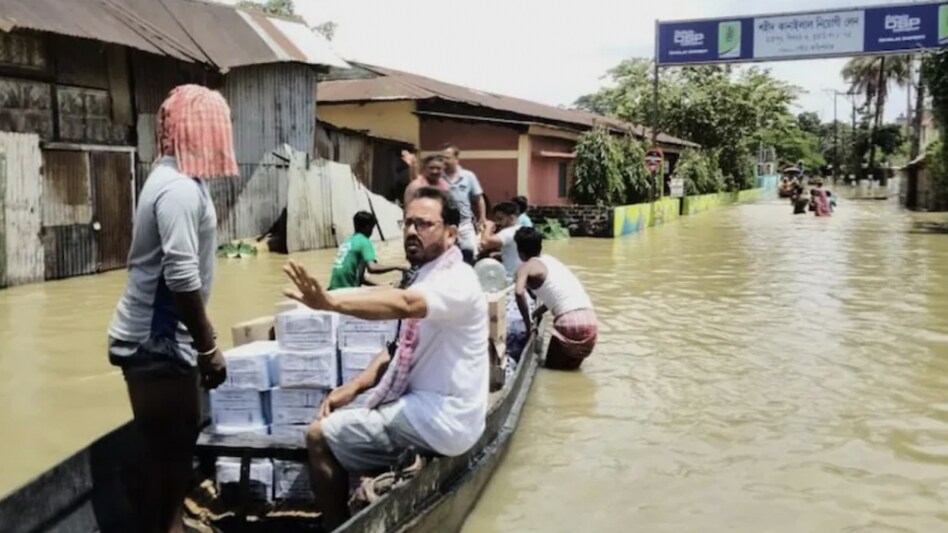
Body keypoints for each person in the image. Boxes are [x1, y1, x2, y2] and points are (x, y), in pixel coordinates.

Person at [283, 187, 488, 529]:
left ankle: (337, 525)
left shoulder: (458, 281)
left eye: (424, 224)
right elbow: (396, 348)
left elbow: (405, 304)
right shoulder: (425, 274)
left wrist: (330, 303)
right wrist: (353, 386)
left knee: (318, 436)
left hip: (443, 418)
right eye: (407, 223)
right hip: (433, 410)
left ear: (451, 234)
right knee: (354, 411)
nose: (411, 231)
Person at [107, 85, 235, 533]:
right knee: (169, 452)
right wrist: (208, 347)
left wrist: (201, 334)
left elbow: (187, 276)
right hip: (155, 340)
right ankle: (167, 527)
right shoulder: (178, 188)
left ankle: (170, 523)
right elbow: (181, 277)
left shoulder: (178, 181)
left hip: (164, 338)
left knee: (174, 447)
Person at [513, 227, 597, 370]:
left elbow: (519, 292)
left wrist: (528, 326)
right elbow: (556, 295)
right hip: (590, 320)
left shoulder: (526, 266)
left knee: (551, 370)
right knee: (570, 373)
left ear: (520, 252)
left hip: (569, 321)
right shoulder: (552, 261)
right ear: (540, 246)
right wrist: (536, 314)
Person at [328, 211, 406, 290]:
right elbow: (372, 268)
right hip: (346, 292)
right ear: (367, 227)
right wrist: (398, 266)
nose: (371, 232)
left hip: (332, 290)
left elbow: (360, 279)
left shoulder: (347, 242)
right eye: (372, 228)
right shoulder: (364, 241)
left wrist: (383, 286)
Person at [442, 143, 486, 264]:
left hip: (465, 224)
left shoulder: (468, 176)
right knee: (446, 255)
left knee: (471, 253)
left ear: (456, 158)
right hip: (446, 224)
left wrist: (482, 218)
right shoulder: (439, 177)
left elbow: (479, 198)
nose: (444, 161)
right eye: (442, 157)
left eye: (447, 157)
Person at [479, 201, 522, 278]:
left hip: (510, 275)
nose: (498, 222)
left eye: (500, 219)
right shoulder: (522, 229)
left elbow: (484, 243)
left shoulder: (508, 232)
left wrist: (488, 226)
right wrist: (500, 254)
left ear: (511, 218)